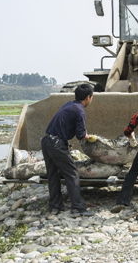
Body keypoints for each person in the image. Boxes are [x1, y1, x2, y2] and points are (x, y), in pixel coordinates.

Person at [41, 84, 95, 217]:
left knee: (53, 175)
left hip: (47, 141)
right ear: (88, 97)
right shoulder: (80, 110)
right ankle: (78, 208)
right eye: (91, 97)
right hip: (57, 144)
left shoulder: (69, 105)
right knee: (72, 174)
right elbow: (81, 135)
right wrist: (90, 137)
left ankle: (55, 206)